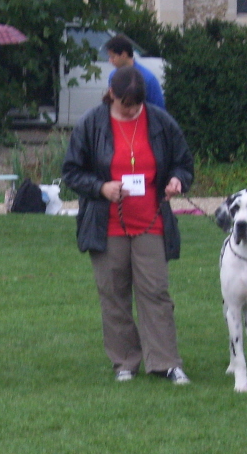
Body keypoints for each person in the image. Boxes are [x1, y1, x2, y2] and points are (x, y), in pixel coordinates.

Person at [62, 66, 193, 384]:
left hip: (150, 220)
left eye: (137, 105)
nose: (132, 111)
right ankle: (124, 361)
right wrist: (101, 188)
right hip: (107, 224)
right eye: (126, 105)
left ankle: (165, 361)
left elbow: (183, 162)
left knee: (156, 291)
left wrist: (177, 179)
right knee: (113, 294)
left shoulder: (160, 122)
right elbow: (71, 172)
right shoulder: (91, 124)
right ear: (112, 96)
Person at [104, 34, 166, 110]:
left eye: (113, 57)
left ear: (123, 55)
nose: (110, 61)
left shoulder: (148, 78)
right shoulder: (113, 76)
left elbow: (159, 109)